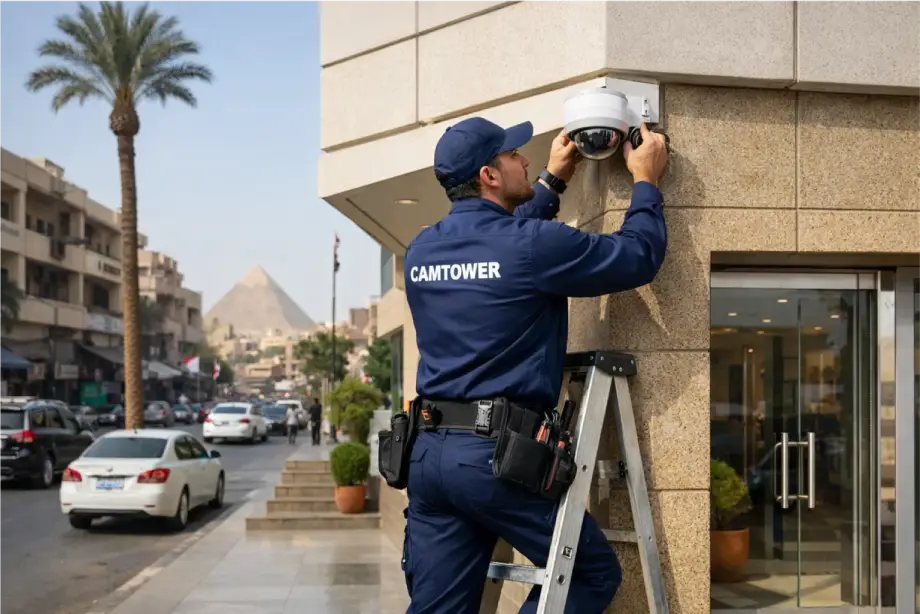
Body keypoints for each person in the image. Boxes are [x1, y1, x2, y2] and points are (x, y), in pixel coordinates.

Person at [401, 117, 669, 613]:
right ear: (489, 175)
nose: (525, 159)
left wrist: (552, 181)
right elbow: (636, 257)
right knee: (591, 574)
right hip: (494, 461)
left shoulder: (421, 250)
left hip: (428, 456)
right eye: (512, 156)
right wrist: (646, 179)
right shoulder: (529, 246)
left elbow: (504, 248)